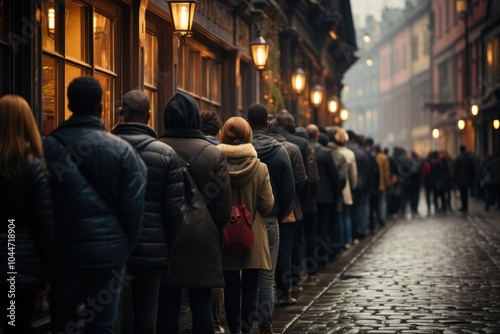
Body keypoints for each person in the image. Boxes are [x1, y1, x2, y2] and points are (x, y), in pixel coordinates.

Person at [43, 76, 147, 334]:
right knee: (101, 325)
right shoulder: (122, 152)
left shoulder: (47, 148)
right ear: (101, 108)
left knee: (62, 323)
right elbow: (134, 210)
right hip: (108, 254)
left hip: (63, 252)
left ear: (68, 105)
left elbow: (40, 206)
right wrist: (124, 246)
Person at [111, 90, 185, 334]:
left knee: (109, 311)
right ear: (149, 115)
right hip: (152, 248)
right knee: (146, 311)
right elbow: (174, 210)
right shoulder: (165, 154)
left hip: (112, 244)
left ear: (122, 112)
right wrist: (167, 246)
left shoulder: (105, 148)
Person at [158, 92, 232, 334]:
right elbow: (223, 206)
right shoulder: (213, 153)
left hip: (164, 236)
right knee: (201, 303)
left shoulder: (156, 149)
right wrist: (213, 228)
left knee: (166, 304)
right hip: (203, 236)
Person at [0, 95, 54, 334]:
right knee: (16, 324)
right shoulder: (32, 166)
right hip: (19, 261)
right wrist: (49, 269)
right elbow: (44, 223)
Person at [218, 116, 274, 334]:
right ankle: (246, 329)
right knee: (251, 287)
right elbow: (267, 205)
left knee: (231, 287)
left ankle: (233, 331)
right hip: (253, 233)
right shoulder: (260, 168)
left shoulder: (216, 165)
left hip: (226, 234)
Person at [247, 103, 294, 334]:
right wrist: (279, 212)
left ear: (247, 122)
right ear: (267, 123)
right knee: (267, 275)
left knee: (243, 272)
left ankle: (244, 324)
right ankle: (265, 326)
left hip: (242, 220)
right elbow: (289, 190)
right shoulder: (280, 150)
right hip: (269, 219)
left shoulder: (240, 149)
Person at [200, 110, 225, 334]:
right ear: (219, 130)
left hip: (183, 225)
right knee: (214, 275)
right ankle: (214, 323)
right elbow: (223, 198)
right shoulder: (218, 154)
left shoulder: (173, 149)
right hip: (213, 226)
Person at [305, 125, 339, 272]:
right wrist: (336, 195)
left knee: (310, 230)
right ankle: (322, 258)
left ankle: (311, 264)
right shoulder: (325, 152)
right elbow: (334, 176)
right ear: (317, 136)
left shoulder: (305, 149)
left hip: (309, 195)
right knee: (322, 227)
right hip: (325, 195)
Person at [334, 128, 357, 250]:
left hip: (336, 188)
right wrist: (353, 187)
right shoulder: (350, 154)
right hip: (346, 187)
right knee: (346, 215)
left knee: (339, 216)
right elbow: (353, 175)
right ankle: (347, 240)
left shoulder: (333, 152)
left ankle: (340, 243)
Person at [453, 145, 476, 212]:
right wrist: (473, 178)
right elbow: (472, 169)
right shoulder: (469, 158)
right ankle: (465, 206)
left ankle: (464, 206)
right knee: (465, 193)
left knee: (462, 193)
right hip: (468, 179)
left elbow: (456, 170)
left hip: (460, 179)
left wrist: (454, 179)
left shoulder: (458, 159)